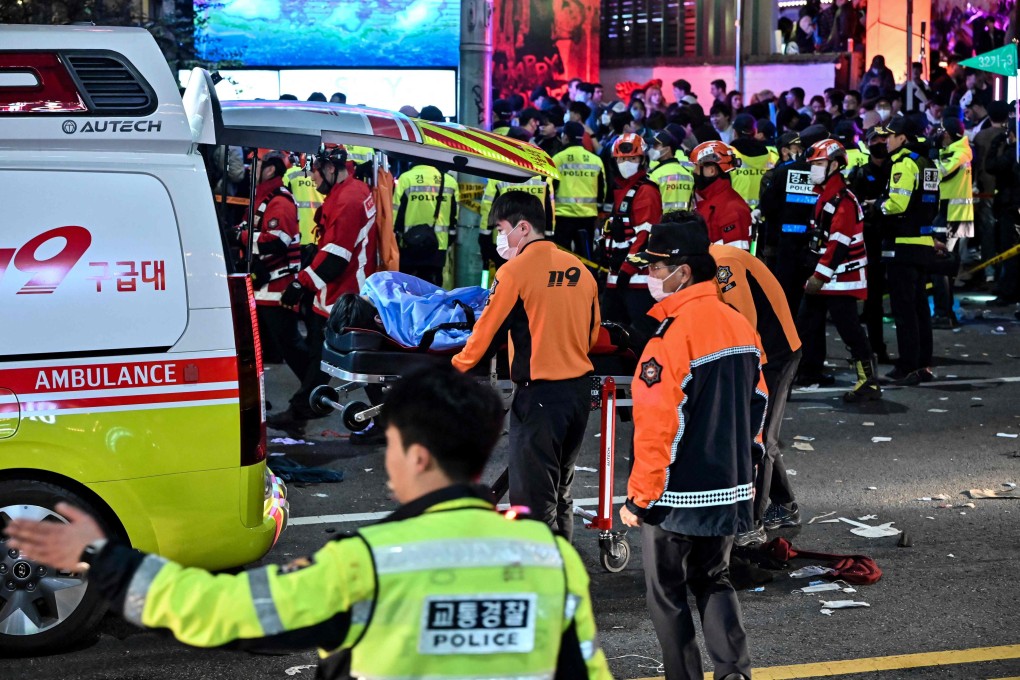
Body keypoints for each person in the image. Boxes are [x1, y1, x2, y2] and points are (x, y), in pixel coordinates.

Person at [4, 366, 613, 680]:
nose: (390, 463)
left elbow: (224, 612)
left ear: (419, 457)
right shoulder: (549, 557)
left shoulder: (368, 561)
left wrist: (105, 559)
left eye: (392, 446)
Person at [621, 220, 764, 680]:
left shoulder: (670, 337)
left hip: (675, 496)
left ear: (682, 273)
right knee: (715, 579)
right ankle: (734, 673)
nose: (651, 276)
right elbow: (758, 407)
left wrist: (640, 498)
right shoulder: (739, 324)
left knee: (666, 593)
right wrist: (748, 472)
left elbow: (659, 427)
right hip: (730, 486)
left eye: (656, 266)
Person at [452, 193, 600, 542]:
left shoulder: (515, 271)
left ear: (522, 227)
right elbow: (593, 333)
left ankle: (539, 579)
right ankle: (563, 566)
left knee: (532, 499)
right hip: (578, 393)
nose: (499, 238)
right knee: (560, 490)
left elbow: (485, 332)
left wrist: (455, 368)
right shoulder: (582, 271)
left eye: (502, 229)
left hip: (540, 398)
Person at [269, 144, 379, 436]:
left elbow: (336, 257)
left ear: (330, 168)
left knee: (350, 359)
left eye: (315, 173)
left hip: (345, 296)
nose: (313, 181)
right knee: (339, 358)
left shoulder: (348, 200)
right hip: (341, 292)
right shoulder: (349, 192)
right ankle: (305, 406)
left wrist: (300, 284)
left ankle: (305, 407)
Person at [797, 139, 880, 402]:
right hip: (827, 278)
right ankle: (796, 374)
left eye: (819, 164)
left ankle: (869, 382)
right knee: (804, 326)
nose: (814, 169)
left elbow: (839, 244)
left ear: (834, 165)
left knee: (850, 330)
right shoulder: (827, 195)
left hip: (841, 279)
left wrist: (819, 277)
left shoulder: (843, 199)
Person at [877, 116, 939, 385]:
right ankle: (923, 363)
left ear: (903, 137)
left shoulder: (903, 163)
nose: (885, 141)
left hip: (902, 245)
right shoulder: (928, 162)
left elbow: (897, 204)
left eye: (890, 135)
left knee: (904, 311)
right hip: (923, 243)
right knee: (920, 309)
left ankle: (907, 365)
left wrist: (876, 206)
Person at [241, 152, 308, 381]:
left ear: (270, 169)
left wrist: (240, 236)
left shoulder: (279, 201)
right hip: (262, 288)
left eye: (255, 163)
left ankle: (314, 390)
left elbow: (278, 242)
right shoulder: (264, 197)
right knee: (262, 349)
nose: (250, 168)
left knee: (290, 346)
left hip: (276, 289)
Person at [601, 133, 663, 325]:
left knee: (636, 334)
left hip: (637, 281)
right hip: (617, 276)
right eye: (622, 159)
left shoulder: (646, 191)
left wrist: (627, 270)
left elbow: (646, 235)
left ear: (642, 160)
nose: (626, 163)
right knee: (611, 333)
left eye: (632, 158)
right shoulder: (620, 189)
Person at [848, 127, 894, 364]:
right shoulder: (860, 173)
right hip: (870, 242)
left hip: (894, 238)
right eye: (875, 139)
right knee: (873, 300)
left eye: (884, 139)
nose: (880, 143)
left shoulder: (897, 168)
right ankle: (875, 348)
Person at [930, 117, 974, 328]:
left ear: (948, 132)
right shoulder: (953, 150)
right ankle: (946, 312)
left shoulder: (961, 152)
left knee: (941, 266)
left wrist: (931, 157)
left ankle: (943, 314)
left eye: (941, 131)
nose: (939, 134)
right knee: (944, 267)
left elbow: (941, 173)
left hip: (953, 215)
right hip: (949, 214)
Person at [393, 163, 459, 286]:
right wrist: (450, 238)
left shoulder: (406, 178)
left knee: (406, 287)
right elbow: (454, 217)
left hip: (409, 244)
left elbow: (396, 212)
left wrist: (395, 238)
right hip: (438, 245)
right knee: (433, 289)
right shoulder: (450, 181)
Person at [552, 121, 607, 259]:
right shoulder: (595, 160)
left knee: (561, 256)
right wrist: (598, 209)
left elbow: (550, 188)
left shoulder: (558, 159)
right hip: (588, 216)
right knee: (586, 256)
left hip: (563, 216)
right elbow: (602, 189)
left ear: (565, 137)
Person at [690, 140, 752, 250]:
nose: (693, 172)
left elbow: (735, 257)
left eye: (696, 167)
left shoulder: (732, 209)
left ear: (711, 170)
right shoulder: (706, 199)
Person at [729, 114, 772, 211]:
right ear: (755, 131)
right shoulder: (772, 154)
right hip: (762, 212)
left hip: (737, 212)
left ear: (735, 132)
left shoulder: (727, 154)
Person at [648, 129, 695, 215]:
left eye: (656, 145)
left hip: (663, 224)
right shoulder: (688, 173)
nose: (652, 149)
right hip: (686, 223)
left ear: (667, 149)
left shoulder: (654, 175)